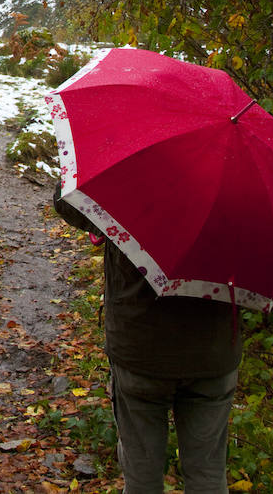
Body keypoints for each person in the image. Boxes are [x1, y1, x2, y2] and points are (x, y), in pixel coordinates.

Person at [53, 185, 242, 494]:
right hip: (212, 352)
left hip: (139, 350)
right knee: (208, 472)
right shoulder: (234, 187)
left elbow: (70, 203)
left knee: (142, 475)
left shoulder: (132, 176)